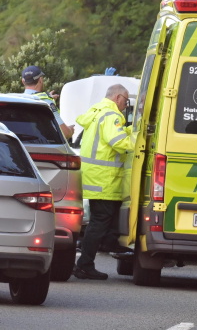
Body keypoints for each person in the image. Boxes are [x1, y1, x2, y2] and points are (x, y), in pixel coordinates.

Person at [73, 84, 135, 280]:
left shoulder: (97, 111)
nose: (126, 105)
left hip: (95, 177)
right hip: (104, 178)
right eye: (126, 101)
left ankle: (108, 244)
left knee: (101, 220)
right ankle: (84, 264)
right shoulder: (112, 116)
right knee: (99, 222)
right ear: (117, 98)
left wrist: (130, 129)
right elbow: (119, 142)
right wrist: (139, 139)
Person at [21, 65, 74, 140]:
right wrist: (70, 131)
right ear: (40, 80)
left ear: (23, 81)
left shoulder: (17, 99)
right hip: (42, 147)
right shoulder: (46, 102)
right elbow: (64, 133)